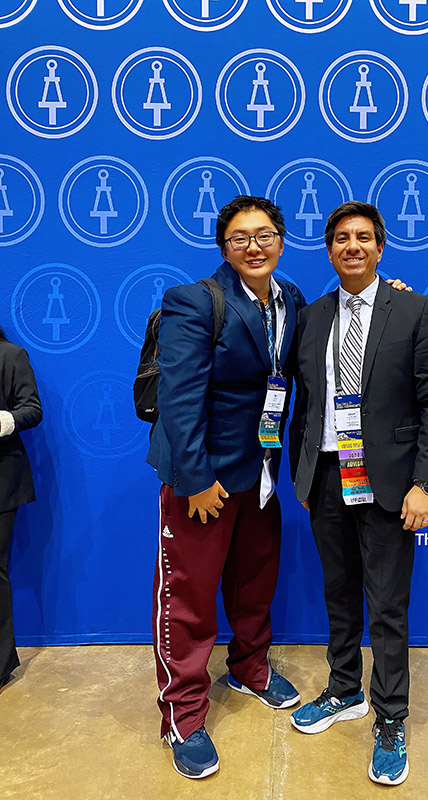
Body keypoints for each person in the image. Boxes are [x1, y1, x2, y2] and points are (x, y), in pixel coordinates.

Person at [289, 202, 428, 786]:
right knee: (338, 593)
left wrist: (426, 483)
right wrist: (302, 473)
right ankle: (343, 691)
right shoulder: (310, 317)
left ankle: (390, 717)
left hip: (388, 479)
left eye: (363, 237)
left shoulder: (416, 309)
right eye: (340, 238)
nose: (351, 246)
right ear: (329, 251)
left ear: (380, 248)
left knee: (387, 604)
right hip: (330, 475)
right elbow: (301, 404)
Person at [146, 196, 306, 779]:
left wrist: (393, 295)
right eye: (239, 238)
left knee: (254, 580)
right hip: (204, 478)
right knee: (187, 598)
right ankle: (183, 713)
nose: (254, 246)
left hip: (259, 472)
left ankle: (249, 667)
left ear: (282, 241)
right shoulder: (194, 300)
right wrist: (195, 478)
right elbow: (179, 395)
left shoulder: (291, 300)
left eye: (264, 235)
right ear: (223, 249)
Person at [0, 325, 42, 690]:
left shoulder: (10, 355)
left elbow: (32, 409)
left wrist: (6, 420)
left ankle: (0, 664)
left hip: (1, 481)